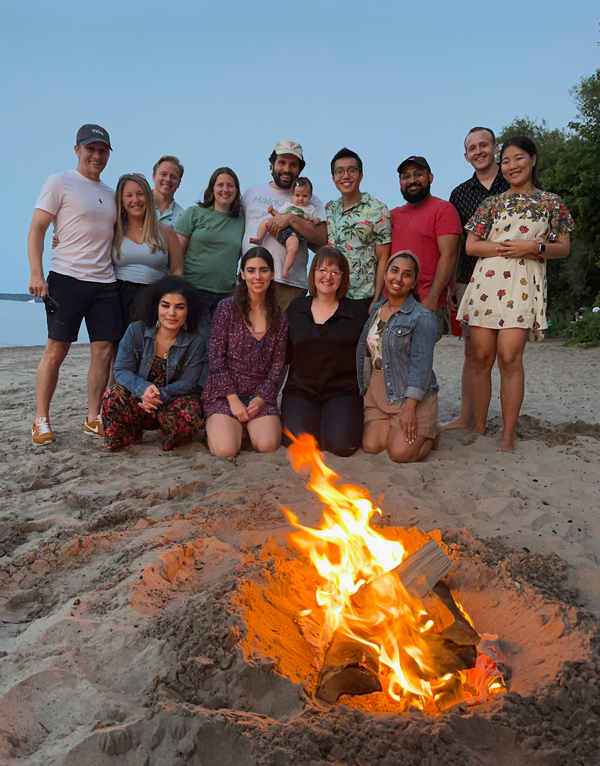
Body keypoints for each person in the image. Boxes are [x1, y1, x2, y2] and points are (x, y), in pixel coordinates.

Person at [458, 136, 575, 453]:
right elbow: (471, 245)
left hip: (523, 286)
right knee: (481, 358)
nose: (512, 166)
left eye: (518, 158)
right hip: (486, 285)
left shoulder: (551, 203)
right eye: (506, 161)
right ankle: (480, 429)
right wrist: (509, 248)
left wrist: (534, 247)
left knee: (509, 357)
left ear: (533, 160)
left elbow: (563, 248)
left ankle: (508, 434)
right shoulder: (491, 204)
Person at [27, 124, 121, 445]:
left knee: (103, 352)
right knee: (56, 351)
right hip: (66, 279)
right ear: (77, 149)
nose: (96, 155)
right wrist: (36, 274)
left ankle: (94, 417)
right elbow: (38, 229)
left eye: (102, 150)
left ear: (108, 154)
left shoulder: (111, 194)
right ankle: (41, 419)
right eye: (90, 149)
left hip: (105, 282)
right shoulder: (59, 182)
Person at [442, 127, 510, 432]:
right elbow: (453, 245)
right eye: (472, 148)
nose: (478, 151)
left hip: (511, 279)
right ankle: (467, 417)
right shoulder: (459, 194)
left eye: (484, 145)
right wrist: (449, 286)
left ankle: (507, 423)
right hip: (470, 280)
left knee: (508, 354)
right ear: (466, 155)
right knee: (472, 352)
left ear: (495, 147)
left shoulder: (515, 181)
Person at [102, 276, 205, 451]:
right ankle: (131, 435)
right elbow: (121, 369)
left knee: (188, 416)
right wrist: (143, 389)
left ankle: (169, 437)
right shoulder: (136, 330)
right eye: (165, 305)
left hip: (173, 399)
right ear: (156, 306)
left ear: (189, 311)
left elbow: (188, 383)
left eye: (179, 307)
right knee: (112, 396)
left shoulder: (196, 341)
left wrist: (159, 395)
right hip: (139, 399)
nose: (171, 313)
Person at [202, 247, 288, 457]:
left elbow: (278, 366)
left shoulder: (280, 316)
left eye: (263, 270)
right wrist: (233, 400)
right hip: (225, 394)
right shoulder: (226, 309)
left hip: (259, 396)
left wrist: (259, 399)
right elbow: (216, 359)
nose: (257, 276)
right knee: (226, 450)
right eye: (251, 270)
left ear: (272, 274)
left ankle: (243, 427)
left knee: (267, 445)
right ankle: (222, 426)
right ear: (242, 274)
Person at [282, 247, 366, 457]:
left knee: (340, 446)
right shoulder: (296, 308)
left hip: (342, 391)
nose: (327, 277)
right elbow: (284, 358)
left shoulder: (356, 313)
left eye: (335, 272)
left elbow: (367, 359)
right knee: (299, 445)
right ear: (313, 274)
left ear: (342, 278)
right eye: (322, 270)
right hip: (300, 391)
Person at [357, 253, 440, 463]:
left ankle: (431, 433)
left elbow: (421, 366)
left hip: (409, 395)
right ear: (385, 274)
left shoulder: (422, 317)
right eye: (394, 271)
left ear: (413, 283)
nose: (398, 278)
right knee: (371, 446)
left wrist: (409, 409)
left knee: (400, 454)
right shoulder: (375, 310)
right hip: (378, 391)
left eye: (407, 274)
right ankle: (393, 427)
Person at [242, 140, 327, 309]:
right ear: (271, 164)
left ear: (300, 169)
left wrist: (290, 219)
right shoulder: (251, 193)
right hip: (249, 281)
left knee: (283, 335)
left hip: (289, 285)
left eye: (293, 165)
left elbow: (322, 239)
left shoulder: (310, 200)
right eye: (281, 162)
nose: (287, 169)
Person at [390, 156, 462, 340]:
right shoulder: (392, 215)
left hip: (424, 303)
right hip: (391, 303)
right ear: (400, 182)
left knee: (418, 364)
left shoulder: (443, 210)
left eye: (418, 174)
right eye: (406, 176)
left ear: (430, 177)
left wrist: (433, 297)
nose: (412, 180)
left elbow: (449, 255)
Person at [112, 173, 183, 333]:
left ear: (148, 198)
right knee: (118, 350)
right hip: (118, 297)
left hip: (154, 297)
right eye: (128, 196)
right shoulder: (113, 230)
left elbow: (177, 271)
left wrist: (174, 301)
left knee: (150, 348)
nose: (135, 200)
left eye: (140, 194)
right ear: (122, 202)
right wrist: (58, 237)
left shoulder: (166, 233)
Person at [175, 167, 245, 327]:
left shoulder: (242, 221)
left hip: (226, 296)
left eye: (230, 185)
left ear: (236, 190)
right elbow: (176, 252)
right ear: (212, 188)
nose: (225, 189)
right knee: (196, 342)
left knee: (218, 346)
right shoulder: (194, 213)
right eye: (220, 185)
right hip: (193, 290)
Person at [326, 148, 392, 315]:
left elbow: (383, 258)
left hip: (363, 298)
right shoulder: (330, 210)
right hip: (332, 295)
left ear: (361, 176)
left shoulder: (377, 210)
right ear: (333, 178)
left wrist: (376, 300)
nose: (346, 176)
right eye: (339, 171)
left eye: (352, 170)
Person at [250, 177, 321, 279]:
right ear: (291, 195)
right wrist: (273, 212)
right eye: (297, 195)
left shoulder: (310, 209)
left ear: (310, 196)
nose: (301, 198)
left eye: (305, 196)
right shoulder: (287, 205)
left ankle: (285, 269)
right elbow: (280, 216)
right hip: (282, 229)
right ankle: (259, 238)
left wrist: (316, 220)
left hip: (295, 234)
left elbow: (314, 221)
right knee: (266, 221)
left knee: (293, 248)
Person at [152, 155, 185, 227]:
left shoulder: (183, 217)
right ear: (154, 177)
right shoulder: (138, 205)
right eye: (163, 174)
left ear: (179, 183)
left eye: (173, 177)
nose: (168, 179)